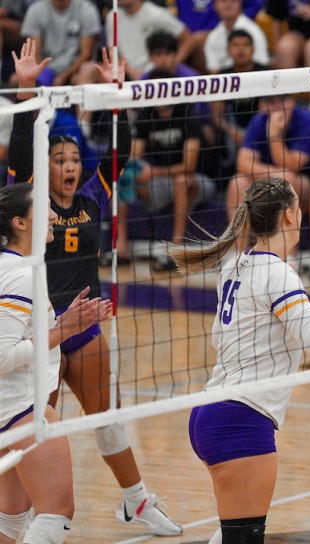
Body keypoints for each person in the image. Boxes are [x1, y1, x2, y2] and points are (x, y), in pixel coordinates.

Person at [8, 41, 183, 537]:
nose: (66, 165)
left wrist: (114, 94)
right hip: (38, 330)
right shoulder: (30, 197)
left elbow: (119, 149)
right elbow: (23, 147)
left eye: (72, 159)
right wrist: (26, 88)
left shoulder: (94, 193)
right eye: (58, 158)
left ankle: (137, 500)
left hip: (82, 324)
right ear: (46, 166)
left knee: (105, 416)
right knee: (35, 427)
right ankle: (18, 519)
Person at [169, 177, 310, 544]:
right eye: (300, 207)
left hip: (209, 412)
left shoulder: (236, 266)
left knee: (231, 535)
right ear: (289, 216)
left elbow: (217, 338)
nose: (302, 214)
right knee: (243, 538)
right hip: (241, 420)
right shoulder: (279, 274)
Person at [0, 183, 112, 544]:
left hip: (8, 409)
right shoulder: (21, 275)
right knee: (55, 513)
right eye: (43, 209)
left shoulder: (11, 266)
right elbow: (2, 356)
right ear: (19, 222)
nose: (53, 215)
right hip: (23, 408)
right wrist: (63, 330)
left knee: (10, 521)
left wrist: (65, 325)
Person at [132, 74, 217, 271]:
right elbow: (135, 159)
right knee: (123, 181)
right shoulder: (146, 114)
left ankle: (175, 249)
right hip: (161, 182)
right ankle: (121, 250)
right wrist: (139, 171)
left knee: (182, 181)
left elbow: (189, 166)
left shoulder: (187, 113)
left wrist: (153, 172)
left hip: (201, 180)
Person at [227, 93, 310, 227]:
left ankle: (287, 248)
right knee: (238, 182)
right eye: (271, 102)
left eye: (282, 100)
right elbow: (243, 163)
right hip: (272, 177)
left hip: (307, 183)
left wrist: (274, 135)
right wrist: (276, 174)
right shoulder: (259, 120)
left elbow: (293, 165)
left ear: (292, 101)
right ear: (262, 105)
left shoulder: (307, 120)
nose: (277, 107)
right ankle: (237, 247)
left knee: (286, 182)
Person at [18, 0, 100, 86]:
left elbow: (86, 54)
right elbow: (34, 53)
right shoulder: (35, 10)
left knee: (83, 75)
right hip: (46, 68)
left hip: (75, 70)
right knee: (17, 80)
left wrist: (64, 76)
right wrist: (43, 75)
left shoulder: (86, 9)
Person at [203, 0, 268, 74]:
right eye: (223, 1)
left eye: (233, 1)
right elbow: (213, 71)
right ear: (214, 6)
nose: (228, 4)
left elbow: (262, 68)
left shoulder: (255, 32)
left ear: (240, 4)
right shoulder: (213, 37)